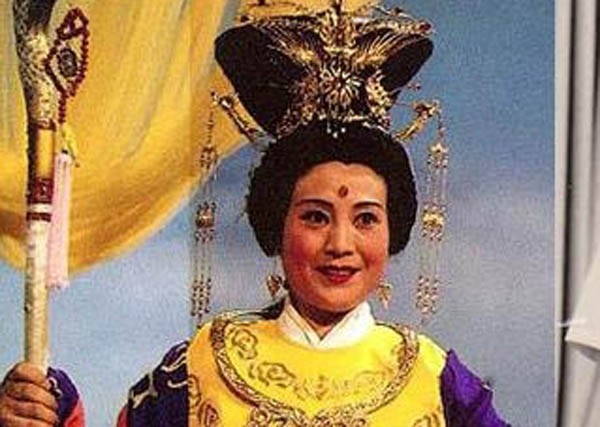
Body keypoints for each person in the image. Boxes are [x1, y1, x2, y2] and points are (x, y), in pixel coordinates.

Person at [0, 4, 510, 426]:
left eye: (365, 219)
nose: (341, 244)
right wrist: (42, 414)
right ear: (276, 226)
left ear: (392, 231)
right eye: (315, 217)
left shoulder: (438, 382)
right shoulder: (196, 370)